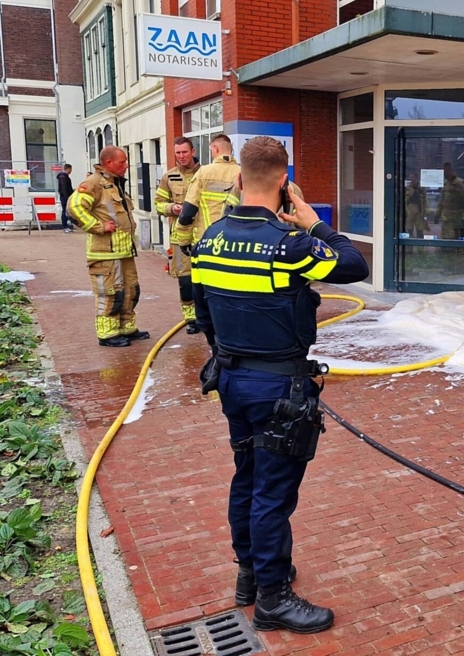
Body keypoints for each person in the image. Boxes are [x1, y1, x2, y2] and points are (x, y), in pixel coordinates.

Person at [191, 137, 368, 634]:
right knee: (272, 493)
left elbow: (203, 315)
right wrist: (314, 222)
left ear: (240, 180)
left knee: (245, 477)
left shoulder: (209, 240)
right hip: (278, 392)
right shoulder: (290, 244)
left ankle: (250, 575)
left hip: (231, 380)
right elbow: (354, 265)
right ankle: (273, 599)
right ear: (285, 185)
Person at [67, 147, 149, 347]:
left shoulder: (115, 184)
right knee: (110, 293)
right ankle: (108, 334)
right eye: (122, 162)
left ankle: (126, 328)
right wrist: (99, 226)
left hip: (123, 252)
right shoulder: (94, 183)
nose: (126, 166)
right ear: (109, 163)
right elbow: (74, 207)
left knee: (130, 291)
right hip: (105, 254)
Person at [155, 137, 201, 333]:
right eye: (178, 153)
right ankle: (191, 318)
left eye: (184, 152)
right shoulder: (169, 177)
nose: (181, 156)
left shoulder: (205, 174)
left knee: (206, 279)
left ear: (192, 151)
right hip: (179, 237)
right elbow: (158, 203)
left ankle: (207, 315)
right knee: (185, 280)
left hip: (203, 235)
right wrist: (170, 207)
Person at [173, 133, 240, 249]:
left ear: (216, 148)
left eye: (211, 150)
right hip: (235, 243)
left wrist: (184, 241)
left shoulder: (203, 173)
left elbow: (188, 212)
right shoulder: (243, 173)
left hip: (206, 241)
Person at [437, 162, 464, 240]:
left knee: (455, 237)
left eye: (446, 171)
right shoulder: (445, 183)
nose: (445, 173)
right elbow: (441, 201)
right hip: (445, 217)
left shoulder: (459, 183)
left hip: (456, 217)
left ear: (450, 170)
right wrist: (437, 214)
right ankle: (445, 251)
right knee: (445, 237)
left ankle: (456, 251)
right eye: (444, 171)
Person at [404, 173, 430, 238]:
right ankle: (409, 247)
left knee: (419, 229)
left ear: (416, 178)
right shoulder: (408, 187)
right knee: (409, 229)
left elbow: (425, 200)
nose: (411, 179)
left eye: (413, 177)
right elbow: (405, 200)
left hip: (419, 210)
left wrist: (426, 212)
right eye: (410, 178)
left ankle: (420, 246)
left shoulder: (422, 188)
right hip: (410, 209)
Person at [56, 164, 74, 233]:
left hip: (65, 196)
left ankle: (66, 225)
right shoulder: (63, 177)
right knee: (65, 211)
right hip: (65, 197)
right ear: (68, 169)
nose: (71, 171)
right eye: (71, 169)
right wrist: (67, 197)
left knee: (67, 211)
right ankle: (65, 226)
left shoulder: (64, 177)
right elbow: (64, 188)